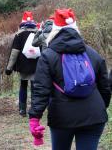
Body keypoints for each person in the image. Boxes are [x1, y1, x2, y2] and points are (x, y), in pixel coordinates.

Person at [28, 9, 111, 149]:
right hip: (94, 116)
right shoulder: (93, 54)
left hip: (62, 117)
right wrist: (101, 107)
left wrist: (34, 118)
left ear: (55, 30)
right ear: (76, 28)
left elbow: (41, 89)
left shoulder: (48, 56)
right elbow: (105, 87)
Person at [5, 11, 39, 116]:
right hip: (36, 65)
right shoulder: (38, 33)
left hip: (23, 66)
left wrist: (9, 68)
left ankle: (22, 110)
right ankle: (34, 109)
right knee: (34, 87)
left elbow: (14, 53)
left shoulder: (19, 35)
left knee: (23, 86)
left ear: (22, 22)